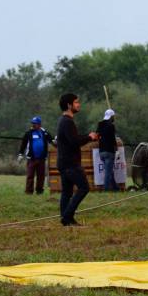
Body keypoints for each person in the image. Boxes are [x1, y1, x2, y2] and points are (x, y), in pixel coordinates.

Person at [56, 93, 98, 226]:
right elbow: (75, 141)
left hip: (64, 162)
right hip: (70, 163)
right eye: (76, 102)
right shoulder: (67, 122)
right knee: (84, 188)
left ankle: (66, 219)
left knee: (67, 192)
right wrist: (89, 137)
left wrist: (88, 136)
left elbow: (74, 138)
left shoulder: (64, 121)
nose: (79, 104)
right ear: (69, 105)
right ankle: (67, 216)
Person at [18, 116, 53, 195]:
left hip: (41, 159)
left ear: (39, 124)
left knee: (41, 176)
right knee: (30, 176)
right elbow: (23, 144)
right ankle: (29, 191)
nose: (33, 125)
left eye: (35, 123)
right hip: (31, 159)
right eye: (32, 123)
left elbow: (51, 141)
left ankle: (39, 191)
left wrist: (56, 141)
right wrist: (20, 154)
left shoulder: (45, 133)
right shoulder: (28, 133)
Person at [96, 109, 120, 192]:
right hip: (109, 151)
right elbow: (113, 139)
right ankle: (106, 190)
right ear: (111, 116)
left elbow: (97, 135)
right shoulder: (111, 126)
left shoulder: (100, 124)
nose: (114, 118)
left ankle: (115, 188)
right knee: (108, 172)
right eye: (113, 116)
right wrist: (116, 150)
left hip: (101, 151)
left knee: (109, 170)